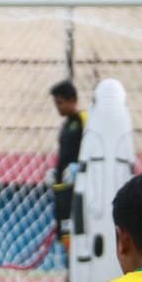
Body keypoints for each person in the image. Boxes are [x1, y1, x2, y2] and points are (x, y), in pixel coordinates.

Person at [49, 79, 87, 255]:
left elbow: (90, 150)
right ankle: (70, 268)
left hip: (77, 189)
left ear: (73, 100)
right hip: (63, 188)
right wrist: (55, 173)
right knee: (64, 232)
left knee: (75, 231)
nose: (58, 107)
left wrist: (79, 169)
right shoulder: (65, 125)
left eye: (60, 102)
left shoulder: (83, 120)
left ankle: (76, 267)